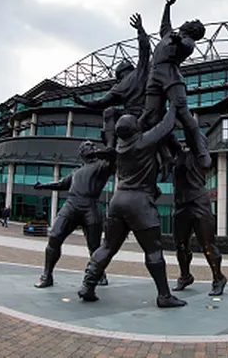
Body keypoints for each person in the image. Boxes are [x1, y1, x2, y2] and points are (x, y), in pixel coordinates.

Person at [79, 107, 187, 308]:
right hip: (139, 203)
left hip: (118, 201)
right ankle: (164, 295)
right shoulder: (144, 142)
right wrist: (174, 104)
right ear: (136, 129)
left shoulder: (120, 146)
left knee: (107, 247)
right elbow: (166, 124)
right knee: (153, 250)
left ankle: (88, 285)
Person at [138, 0, 209, 167]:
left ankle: (201, 150)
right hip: (154, 75)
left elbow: (185, 47)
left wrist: (178, 41)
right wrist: (167, 6)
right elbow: (164, 25)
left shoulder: (188, 41)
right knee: (150, 115)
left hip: (171, 74)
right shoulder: (169, 34)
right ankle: (164, 154)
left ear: (193, 30)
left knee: (183, 112)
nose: (186, 21)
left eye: (190, 21)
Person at [33, 141, 115, 289]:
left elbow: (115, 158)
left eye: (90, 145)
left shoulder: (103, 165)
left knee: (94, 246)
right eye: (85, 146)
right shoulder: (76, 172)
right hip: (71, 205)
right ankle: (47, 275)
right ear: (81, 153)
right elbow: (61, 184)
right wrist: (43, 186)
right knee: (55, 236)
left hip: (90, 206)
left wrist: (103, 151)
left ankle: (99, 274)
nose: (89, 146)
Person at [72, 14, 151, 149]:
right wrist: (140, 30)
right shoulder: (139, 72)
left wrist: (82, 102)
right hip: (143, 114)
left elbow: (100, 102)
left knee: (109, 111)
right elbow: (145, 49)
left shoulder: (121, 85)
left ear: (118, 75)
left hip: (131, 116)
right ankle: (110, 146)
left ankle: (110, 146)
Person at [170, 136, 227, 296]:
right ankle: (185, 276)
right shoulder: (179, 155)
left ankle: (218, 278)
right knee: (180, 245)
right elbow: (169, 136)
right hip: (181, 203)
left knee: (207, 245)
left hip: (199, 202)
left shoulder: (202, 156)